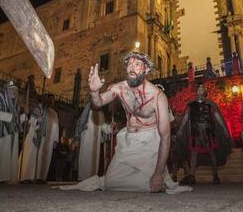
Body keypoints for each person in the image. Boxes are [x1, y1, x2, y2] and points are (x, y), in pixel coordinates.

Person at [59, 52, 191, 193]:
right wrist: (94, 91)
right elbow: (98, 103)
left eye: (137, 64)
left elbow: (165, 137)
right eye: (129, 64)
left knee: (149, 184)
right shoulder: (119, 88)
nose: (131, 68)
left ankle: (160, 179)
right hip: (127, 142)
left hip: (150, 144)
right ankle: (147, 180)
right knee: (110, 183)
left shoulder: (158, 96)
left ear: (146, 69)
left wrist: (158, 174)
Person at [178, 85, 232, 185]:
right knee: (194, 154)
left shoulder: (211, 104)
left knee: (212, 153)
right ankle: (192, 176)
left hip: (208, 132)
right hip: (196, 132)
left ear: (205, 91)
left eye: (202, 88)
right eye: (198, 88)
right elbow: (186, 117)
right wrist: (181, 129)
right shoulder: (191, 105)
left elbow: (217, 116)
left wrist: (224, 128)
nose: (200, 89)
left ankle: (216, 176)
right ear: (196, 91)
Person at [74, 104, 112, 181]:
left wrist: (110, 127)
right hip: (87, 138)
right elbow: (81, 122)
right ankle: (82, 178)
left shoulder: (100, 113)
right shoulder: (88, 110)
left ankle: (92, 179)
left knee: (94, 160)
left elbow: (103, 126)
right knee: (85, 157)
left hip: (96, 141)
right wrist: (82, 128)